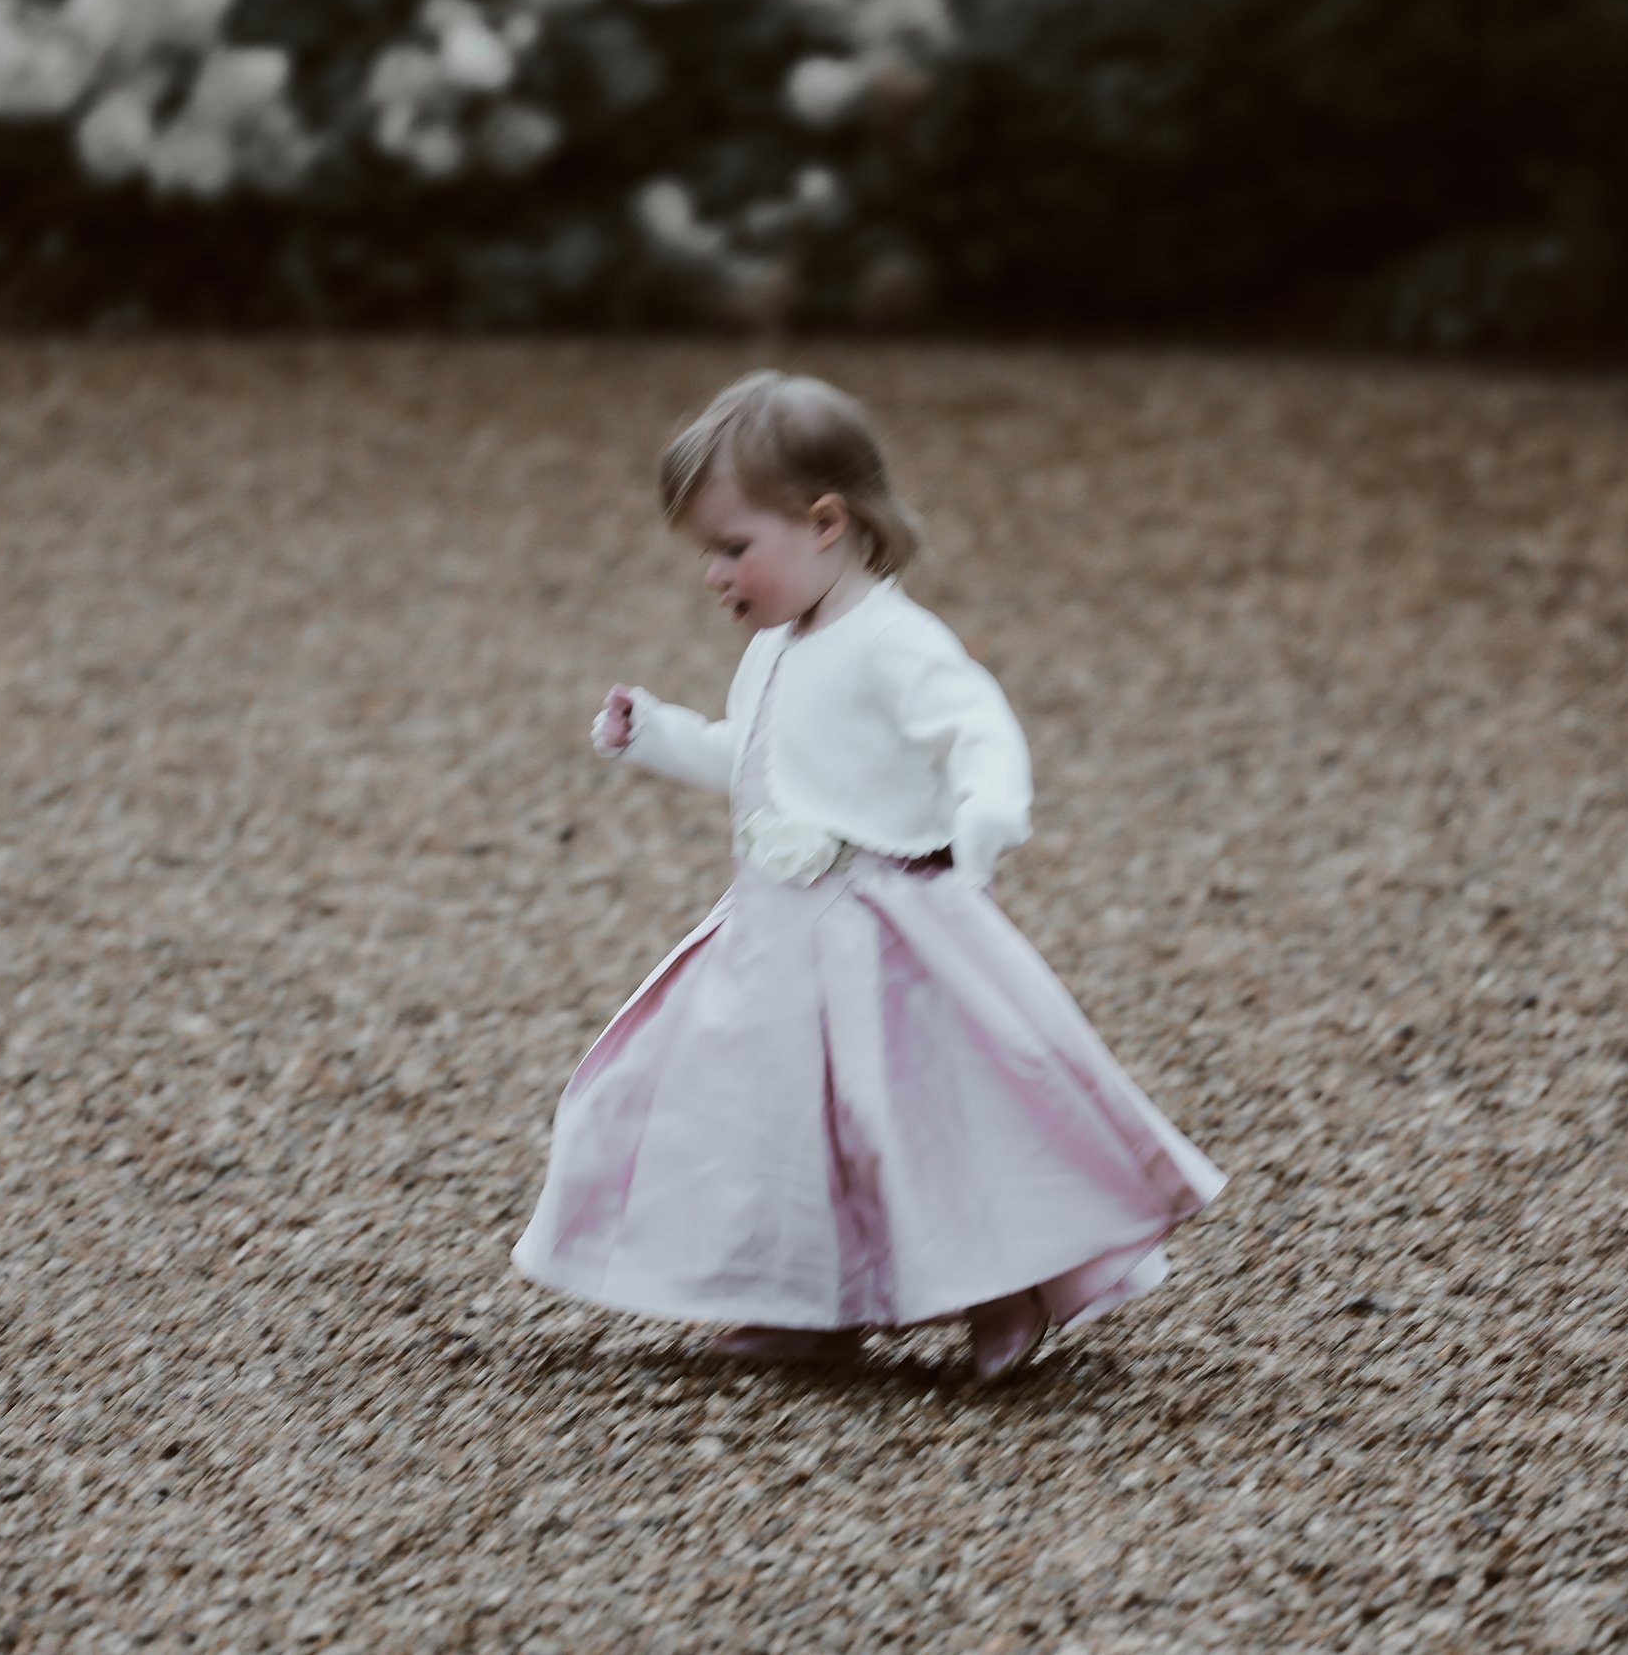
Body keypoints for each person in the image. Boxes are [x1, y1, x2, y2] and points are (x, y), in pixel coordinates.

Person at [511, 370, 1226, 1385]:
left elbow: (975, 727)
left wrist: (985, 813)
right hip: (770, 935)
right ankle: (804, 1297)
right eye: (706, 553)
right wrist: (661, 736)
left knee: (918, 1115)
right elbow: (762, 763)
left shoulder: (895, 641)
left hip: (880, 931)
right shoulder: (774, 646)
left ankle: (1003, 1286)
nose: (714, 575)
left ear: (826, 522)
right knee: (772, 1121)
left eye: (730, 547)